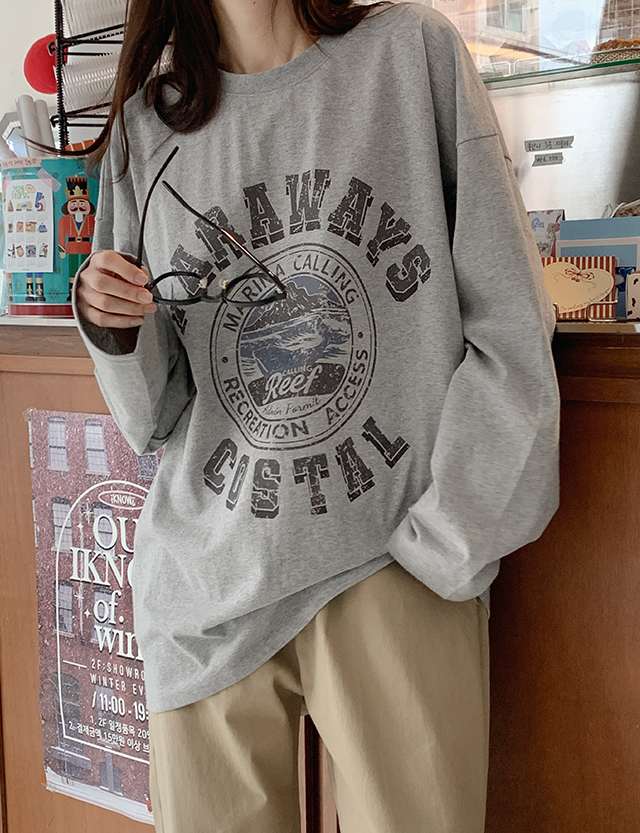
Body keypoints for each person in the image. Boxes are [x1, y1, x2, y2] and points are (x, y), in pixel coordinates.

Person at [73, 1, 560, 831]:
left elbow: (512, 328)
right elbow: (154, 416)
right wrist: (113, 327)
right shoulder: (143, 130)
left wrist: (448, 539)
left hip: (391, 561)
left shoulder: (412, 56)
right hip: (204, 591)